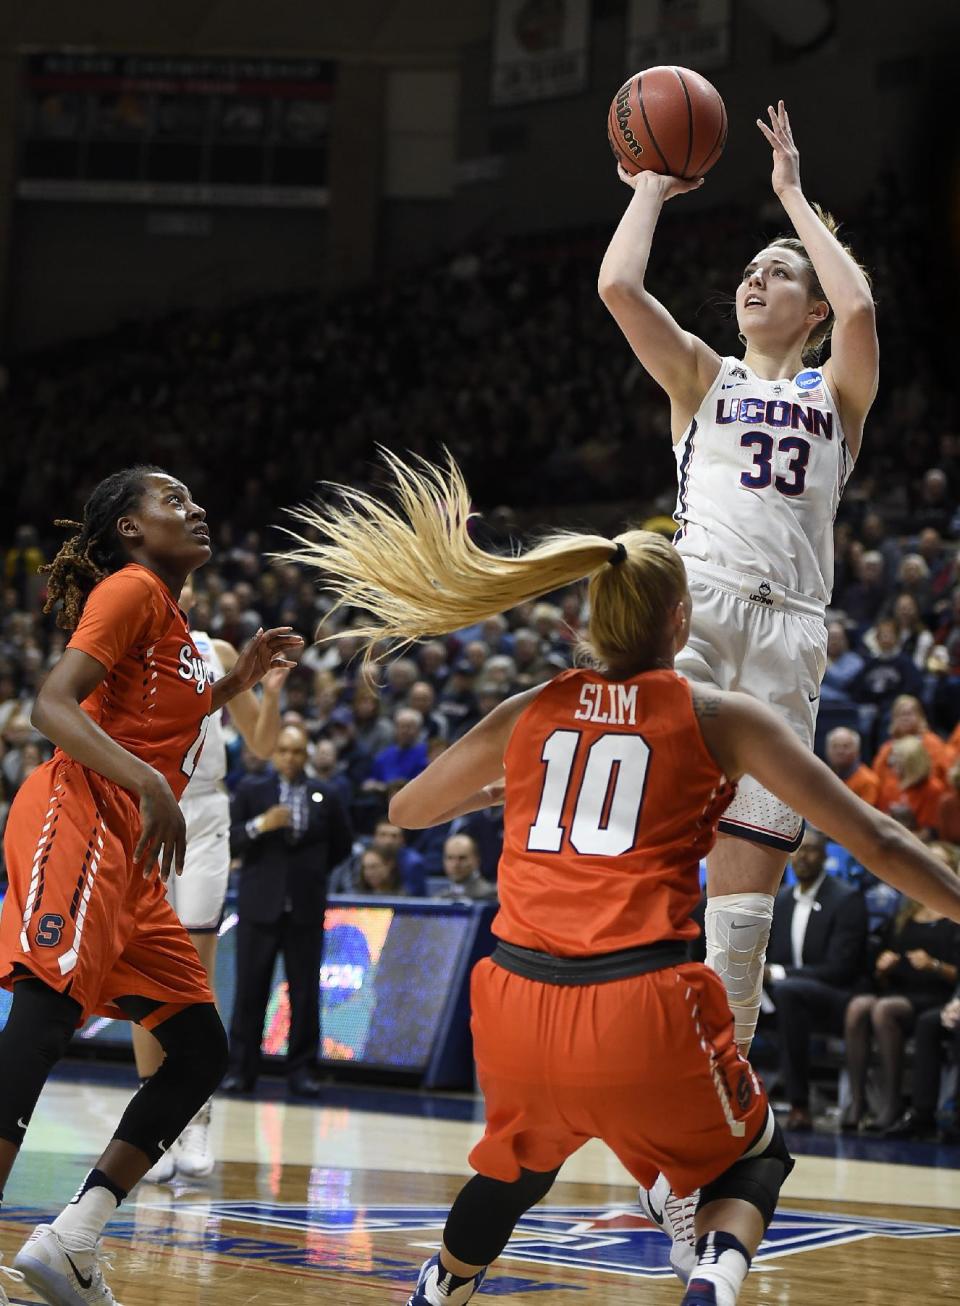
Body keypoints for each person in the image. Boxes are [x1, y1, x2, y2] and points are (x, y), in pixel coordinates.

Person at [280, 451, 960, 1306]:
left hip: (515, 1003)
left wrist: (499, 793)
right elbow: (879, 839)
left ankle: (440, 1287)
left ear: (587, 623)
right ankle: (713, 1277)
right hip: (642, 1003)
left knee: (520, 1167)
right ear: (681, 624)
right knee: (756, 1158)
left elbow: (407, 811)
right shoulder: (720, 716)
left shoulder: (528, 708)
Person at [599, 100, 879, 1269]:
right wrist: (652, 188)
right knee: (652, 866)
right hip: (701, 613)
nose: (758, 281)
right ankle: (643, 1095)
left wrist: (791, 202)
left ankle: (702, 1157)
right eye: (753, 273)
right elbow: (622, 291)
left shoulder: (834, 395)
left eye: (781, 275)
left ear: (807, 308)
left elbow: (861, 305)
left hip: (793, 638)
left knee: (743, 922)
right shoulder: (702, 377)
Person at [0, 466, 300, 1306]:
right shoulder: (130, 590)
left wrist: (238, 685)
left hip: (130, 848)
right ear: (129, 530)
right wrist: (151, 782)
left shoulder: (172, 616)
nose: (196, 508)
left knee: (200, 1048)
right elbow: (51, 706)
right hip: (82, 814)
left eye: (196, 498)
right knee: (45, 1014)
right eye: (173, 501)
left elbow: (166, 718)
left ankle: (73, 1237)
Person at [130, 574, 290, 1185]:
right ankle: (151, 1118)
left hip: (203, 814)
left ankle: (193, 1112)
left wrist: (269, 693)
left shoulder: (216, 653)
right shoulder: (125, 646)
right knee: (145, 968)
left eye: (190, 579)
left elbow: (264, 741)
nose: (184, 586)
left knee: (192, 968)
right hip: (143, 810)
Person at [225, 723, 353, 1097]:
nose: (290, 758)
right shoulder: (252, 790)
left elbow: (342, 845)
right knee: (250, 992)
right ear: (273, 753)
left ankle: (302, 1071)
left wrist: (312, 874)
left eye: (297, 751)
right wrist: (260, 825)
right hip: (258, 907)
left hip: (305, 908)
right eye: (283, 750)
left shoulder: (326, 795)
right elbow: (231, 841)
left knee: (304, 993)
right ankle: (241, 1071)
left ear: (307, 755)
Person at [842, 844, 960, 1133]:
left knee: (885, 1009)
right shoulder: (905, 911)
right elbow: (880, 974)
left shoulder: (955, 912)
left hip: (939, 996)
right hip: (901, 990)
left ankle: (891, 1104)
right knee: (859, 1006)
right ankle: (858, 1102)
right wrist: (883, 969)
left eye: (940, 862)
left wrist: (933, 965)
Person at [762, 829, 868, 1130]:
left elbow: (840, 969)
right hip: (786, 996)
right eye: (797, 850)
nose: (802, 857)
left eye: (810, 850)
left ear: (824, 856)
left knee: (788, 991)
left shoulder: (846, 899)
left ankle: (799, 1105)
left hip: (836, 997)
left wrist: (779, 974)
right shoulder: (780, 900)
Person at [825, 727, 879, 806]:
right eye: (835, 746)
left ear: (857, 751)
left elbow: (864, 815)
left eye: (846, 746)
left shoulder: (868, 781)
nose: (840, 751)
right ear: (827, 750)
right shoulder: (823, 777)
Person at [438, 833, 498, 902]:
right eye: (450, 858)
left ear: (476, 860)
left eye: (462, 858)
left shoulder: (490, 896)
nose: (455, 864)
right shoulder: (440, 899)